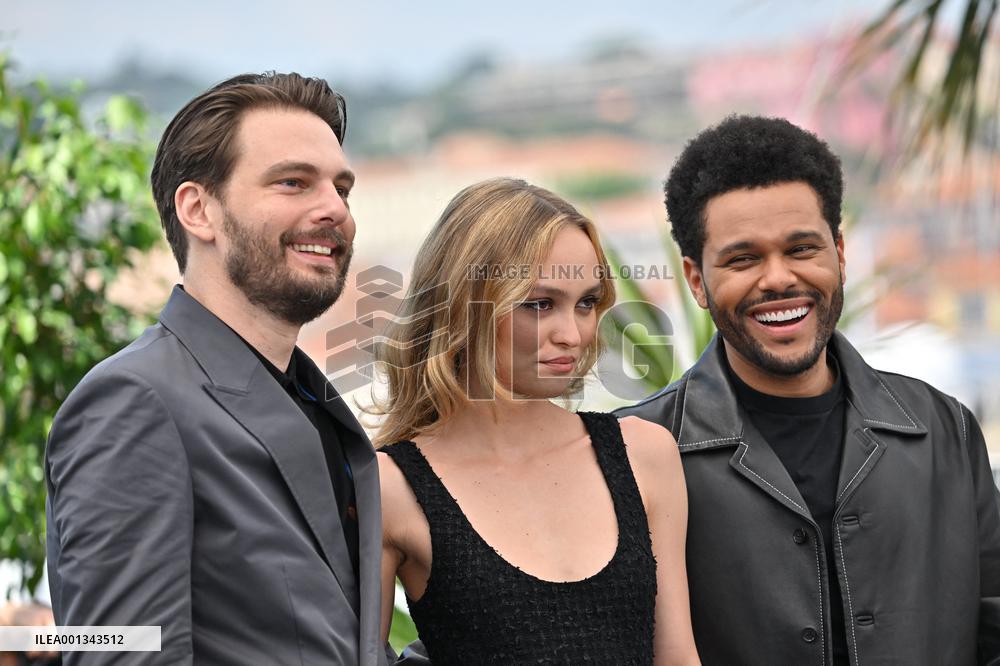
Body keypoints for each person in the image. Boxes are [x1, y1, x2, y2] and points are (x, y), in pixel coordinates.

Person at [617, 115, 1000, 665]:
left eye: (801, 249)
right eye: (743, 258)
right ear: (696, 280)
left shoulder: (944, 427)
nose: (777, 279)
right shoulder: (638, 449)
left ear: (839, 254)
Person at [45, 72, 387, 665]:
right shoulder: (134, 402)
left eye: (342, 188)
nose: (334, 209)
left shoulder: (309, 401)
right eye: (292, 182)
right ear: (198, 210)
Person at [372, 178, 700, 665]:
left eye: (587, 303)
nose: (573, 334)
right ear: (463, 304)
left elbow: (677, 658)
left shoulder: (642, 454)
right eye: (540, 304)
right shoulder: (387, 487)